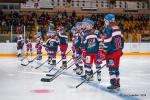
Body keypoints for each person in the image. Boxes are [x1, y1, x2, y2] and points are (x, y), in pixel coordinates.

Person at [103, 14, 124, 90]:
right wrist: (121, 49)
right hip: (118, 51)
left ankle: (113, 83)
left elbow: (107, 41)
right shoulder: (118, 28)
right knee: (116, 67)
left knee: (111, 67)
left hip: (111, 52)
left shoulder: (108, 28)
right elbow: (122, 40)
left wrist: (104, 51)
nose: (105, 22)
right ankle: (117, 83)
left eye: (105, 20)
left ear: (108, 21)